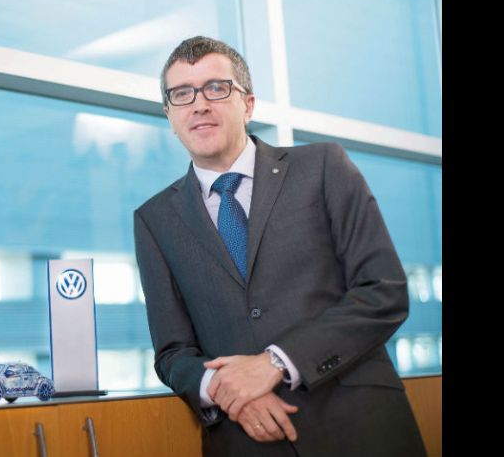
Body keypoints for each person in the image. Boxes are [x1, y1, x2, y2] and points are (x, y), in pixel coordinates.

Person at [133, 36, 427, 457]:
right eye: (182, 94)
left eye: (216, 88)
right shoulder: (154, 218)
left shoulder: (323, 167)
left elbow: (384, 292)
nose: (199, 105)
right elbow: (172, 353)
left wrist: (274, 363)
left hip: (359, 427)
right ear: (170, 115)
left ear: (248, 104)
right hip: (246, 438)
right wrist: (227, 390)